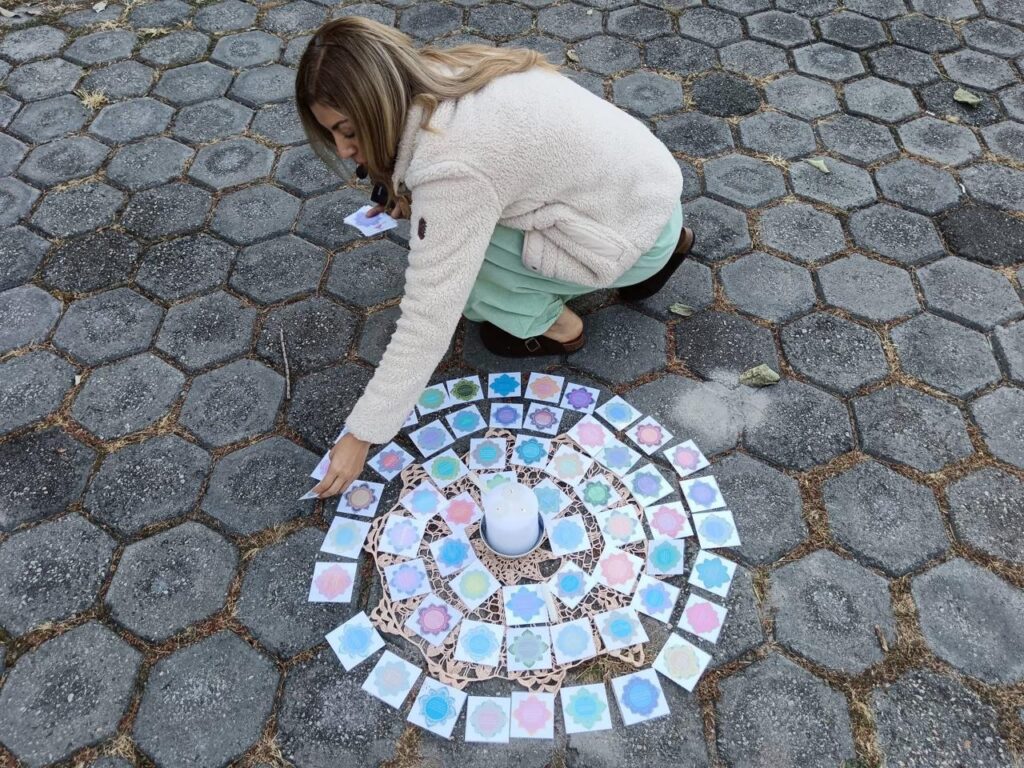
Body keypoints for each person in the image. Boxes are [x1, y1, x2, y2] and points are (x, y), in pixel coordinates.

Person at [301, 17, 693, 498]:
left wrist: (362, 435)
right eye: (332, 135)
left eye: (347, 130)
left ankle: (559, 327)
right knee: (461, 225)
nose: (343, 151)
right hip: (653, 201)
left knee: (463, 272)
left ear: (378, 103)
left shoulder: (452, 168)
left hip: (625, 238)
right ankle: (664, 251)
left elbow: (428, 316)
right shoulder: (446, 69)